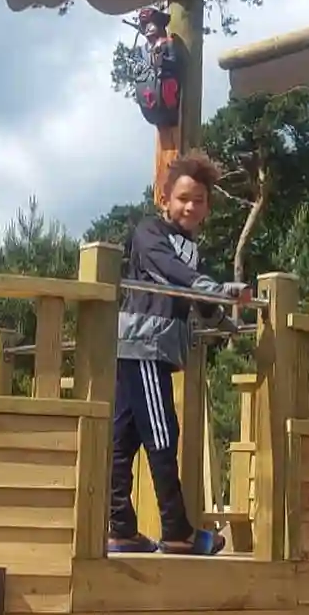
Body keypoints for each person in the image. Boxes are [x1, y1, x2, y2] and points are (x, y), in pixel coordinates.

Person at [109, 152, 244, 556]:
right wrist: (211, 287)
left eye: (199, 200)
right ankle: (176, 531)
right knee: (163, 434)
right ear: (165, 199)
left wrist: (222, 316)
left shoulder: (192, 247)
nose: (190, 206)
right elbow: (173, 273)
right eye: (183, 197)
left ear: (207, 206)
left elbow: (195, 299)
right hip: (143, 343)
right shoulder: (150, 233)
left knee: (122, 438)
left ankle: (121, 528)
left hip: (154, 347)